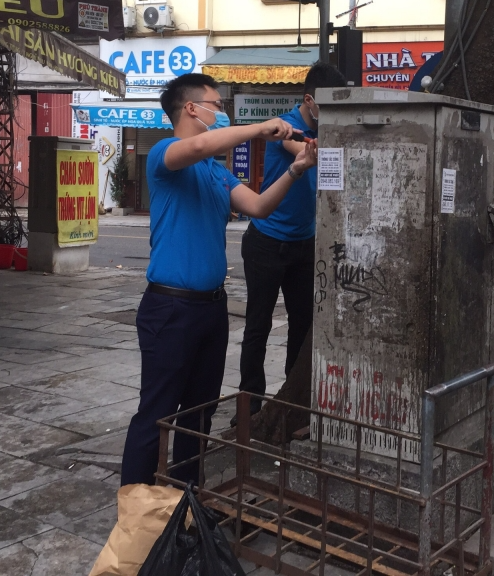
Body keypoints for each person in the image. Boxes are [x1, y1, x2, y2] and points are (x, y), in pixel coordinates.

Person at [120, 73, 317, 487]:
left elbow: (260, 206)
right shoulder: (164, 154)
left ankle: (186, 502)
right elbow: (194, 145)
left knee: (199, 413)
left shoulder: (215, 173)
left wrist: (296, 169)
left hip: (211, 308)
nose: (221, 113)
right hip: (170, 308)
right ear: (192, 108)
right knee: (156, 411)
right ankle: (134, 510)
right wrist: (262, 129)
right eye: (215, 104)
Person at [237, 63, 347, 419]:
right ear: (309, 101)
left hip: (305, 245)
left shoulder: (327, 129)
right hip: (266, 243)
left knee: (302, 325)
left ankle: (291, 400)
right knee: (258, 324)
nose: (330, 115)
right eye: (327, 107)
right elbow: (296, 144)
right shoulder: (286, 127)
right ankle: (249, 402)